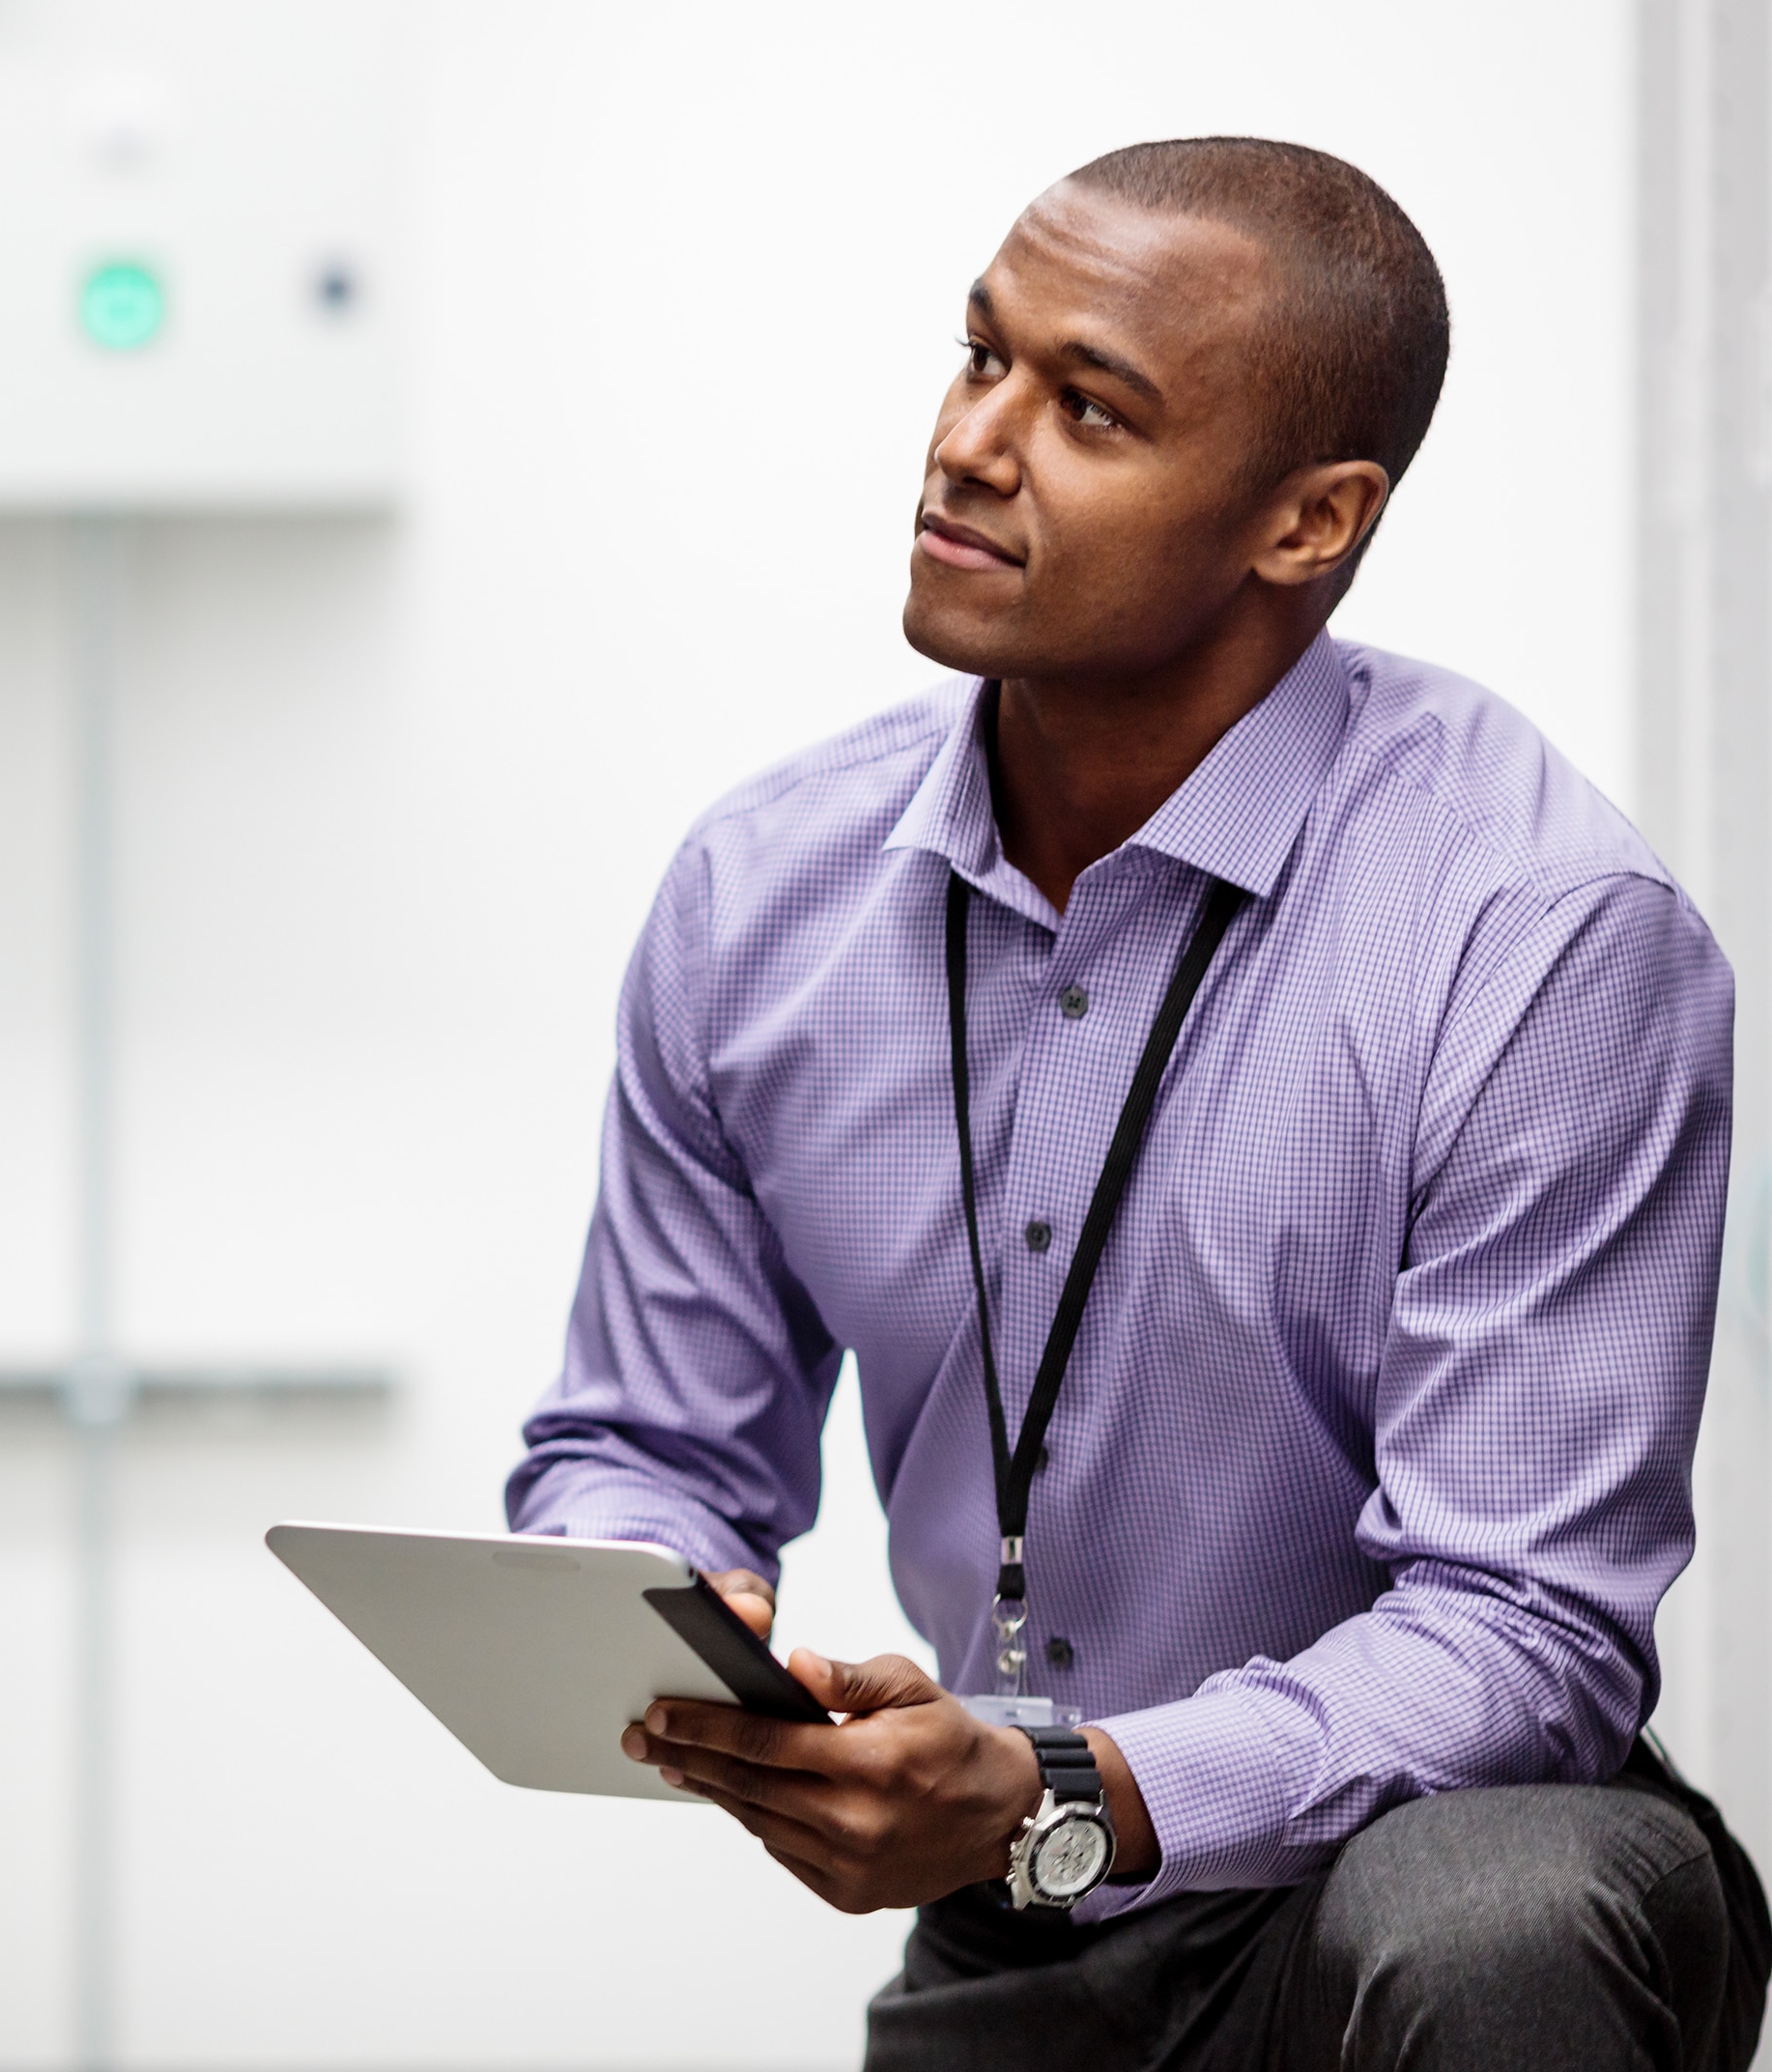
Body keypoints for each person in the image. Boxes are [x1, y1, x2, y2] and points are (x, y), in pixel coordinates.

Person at [506, 138, 1772, 2070]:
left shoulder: (1537, 935)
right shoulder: (763, 893)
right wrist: (674, 1604)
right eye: (978, 356)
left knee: (1491, 1911)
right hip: (1021, 1922)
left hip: (1404, 1905)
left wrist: (1053, 1787)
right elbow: (640, 1438)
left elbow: (1527, 1642)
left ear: (1304, 523)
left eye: (1089, 409)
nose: (970, 446)